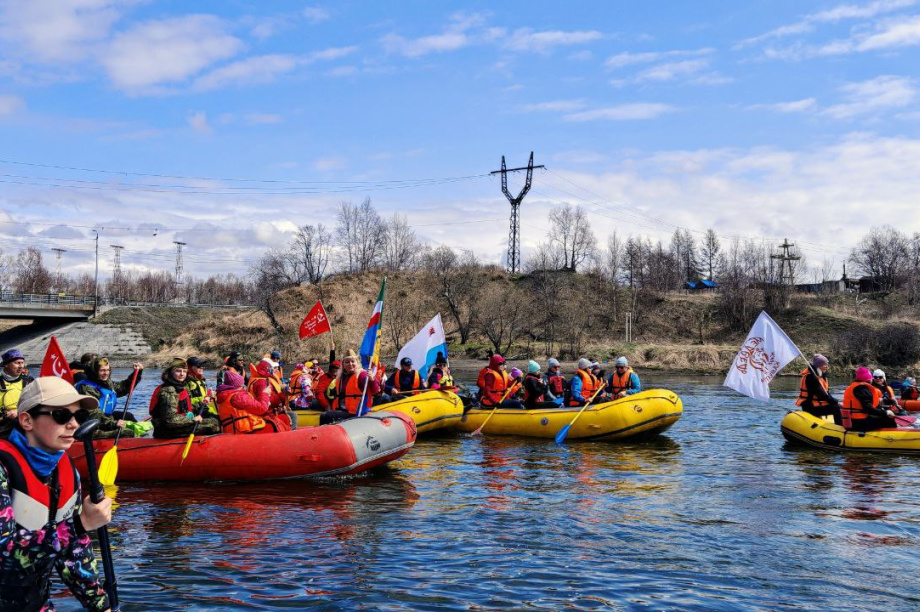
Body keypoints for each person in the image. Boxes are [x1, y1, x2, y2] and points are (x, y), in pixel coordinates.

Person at [0, 377, 113, 612]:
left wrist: (102, 607)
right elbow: (5, 553)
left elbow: (74, 553)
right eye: (61, 415)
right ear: (27, 420)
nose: (73, 425)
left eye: (79, 417)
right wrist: (80, 524)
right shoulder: (3, 469)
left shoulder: (67, 473)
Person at [150, 358, 221, 439]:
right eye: (178, 371)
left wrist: (200, 404)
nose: (182, 374)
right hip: (166, 430)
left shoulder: (179, 387)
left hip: (177, 425)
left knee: (214, 419)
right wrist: (193, 420)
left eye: (184, 371)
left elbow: (183, 407)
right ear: (170, 373)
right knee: (213, 424)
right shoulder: (169, 391)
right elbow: (170, 420)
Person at [74, 358, 143, 439]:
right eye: (102, 370)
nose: (105, 373)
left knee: (129, 418)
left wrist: (137, 373)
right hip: (91, 429)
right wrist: (114, 423)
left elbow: (123, 388)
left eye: (107, 370)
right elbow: (94, 414)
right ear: (95, 371)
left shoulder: (106, 383)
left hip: (104, 423)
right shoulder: (87, 388)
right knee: (127, 432)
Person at [216, 370, 291, 434]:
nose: (244, 387)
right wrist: (265, 393)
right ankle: (287, 441)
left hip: (236, 427)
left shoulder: (226, 396)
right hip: (245, 429)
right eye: (242, 385)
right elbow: (262, 408)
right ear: (238, 386)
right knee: (277, 421)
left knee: (279, 418)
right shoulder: (238, 396)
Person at [323, 350, 380, 425]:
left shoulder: (362, 375)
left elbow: (375, 391)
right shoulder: (341, 377)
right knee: (326, 415)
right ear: (343, 364)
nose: (350, 364)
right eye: (347, 362)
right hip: (343, 410)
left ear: (357, 362)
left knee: (324, 416)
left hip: (357, 412)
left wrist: (372, 379)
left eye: (353, 361)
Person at [841, 366, 898, 431]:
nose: (872, 379)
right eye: (871, 378)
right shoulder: (862, 389)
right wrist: (885, 413)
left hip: (851, 421)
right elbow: (869, 409)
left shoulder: (852, 387)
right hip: (858, 423)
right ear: (867, 379)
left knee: (880, 416)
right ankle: (893, 437)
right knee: (888, 419)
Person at [794, 354, 840, 423]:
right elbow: (821, 394)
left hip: (816, 404)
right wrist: (836, 402)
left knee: (837, 405)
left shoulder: (821, 376)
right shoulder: (811, 377)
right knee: (836, 408)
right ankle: (839, 428)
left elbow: (826, 394)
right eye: (824, 364)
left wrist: (835, 401)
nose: (826, 367)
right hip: (810, 406)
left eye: (827, 364)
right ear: (818, 365)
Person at [0, 349, 34, 439]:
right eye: (17, 363)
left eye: (22, 363)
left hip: (23, 426)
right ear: (6, 364)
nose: (21, 366)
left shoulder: (29, 381)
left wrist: (18, 412)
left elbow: (37, 404)